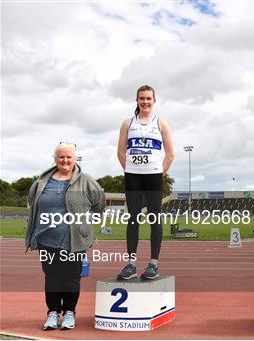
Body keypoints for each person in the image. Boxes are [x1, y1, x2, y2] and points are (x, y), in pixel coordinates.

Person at [26, 142, 105, 330]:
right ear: (55, 159)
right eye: (61, 156)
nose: (65, 160)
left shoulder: (86, 180)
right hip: (47, 238)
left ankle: (69, 313)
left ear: (75, 159)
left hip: (74, 240)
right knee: (52, 277)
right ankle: (52, 313)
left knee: (71, 277)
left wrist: (83, 224)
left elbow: (99, 204)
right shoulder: (41, 182)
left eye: (69, 156)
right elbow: (32, 201)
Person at [117, 85, 174, 280]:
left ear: (154, 101)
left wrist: (159, 173)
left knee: (154, 218)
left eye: (148, 98)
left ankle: (153, 264)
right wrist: (131, 169)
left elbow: (170, 154)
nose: (145, 102)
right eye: (142, 98)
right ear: (137, 100)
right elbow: (120, 152)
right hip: (133, 176)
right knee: (133, 219)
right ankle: (131, 264)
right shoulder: (127, 123)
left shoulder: (161, 123)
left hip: (153, 177)